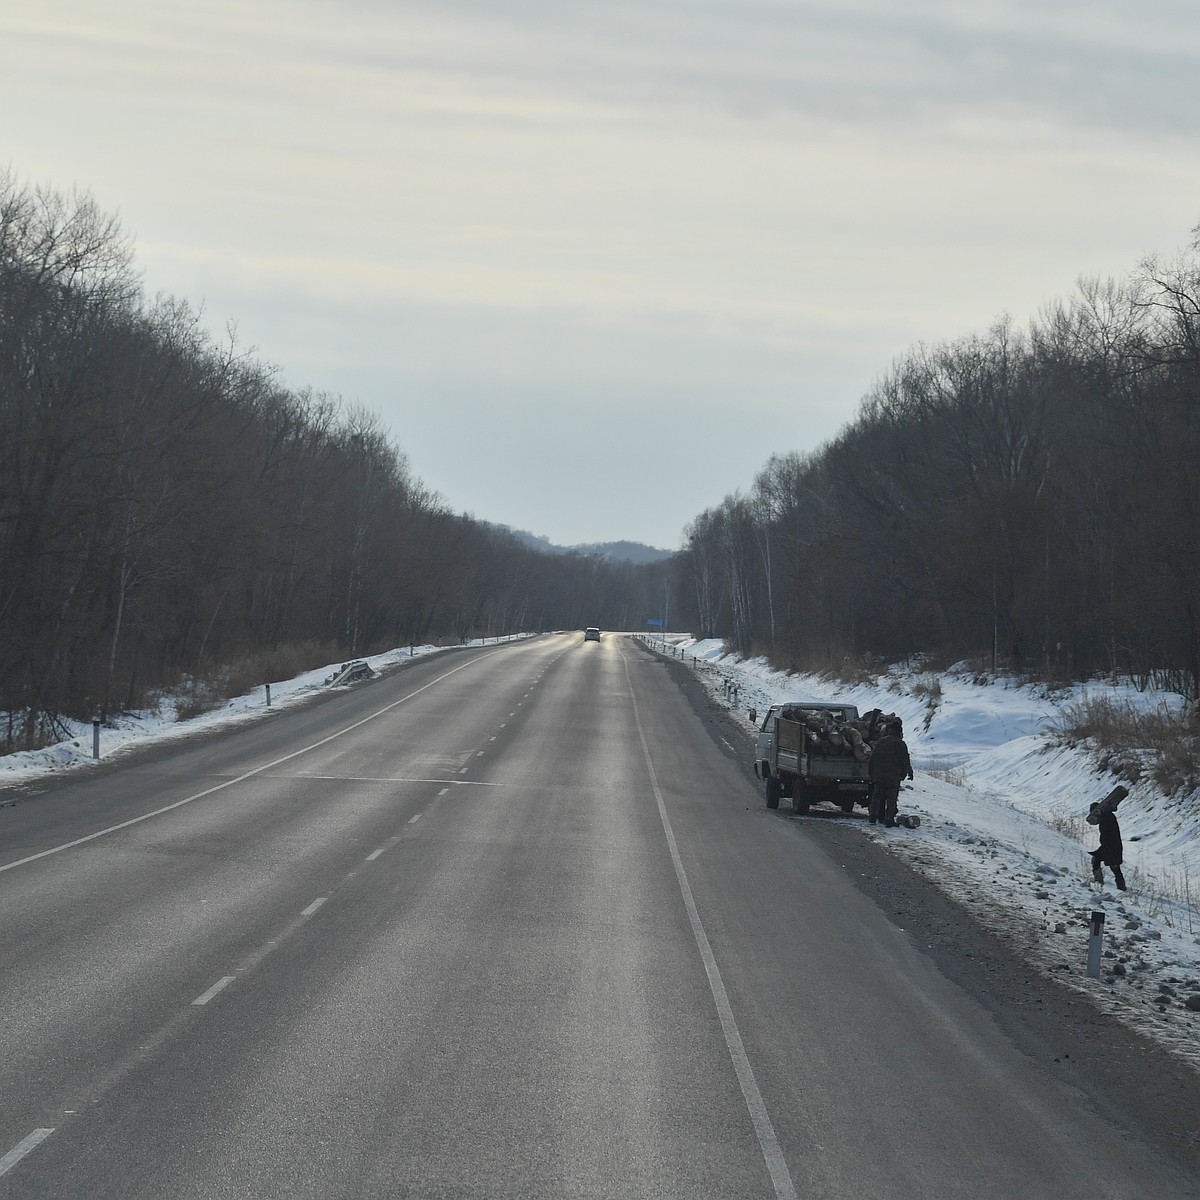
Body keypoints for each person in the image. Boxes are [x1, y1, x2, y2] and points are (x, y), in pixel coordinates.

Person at [868, 720, 913, 828]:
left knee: (877, 797)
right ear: (899, 732)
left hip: (879, 776)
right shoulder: (901, 744)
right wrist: (907, 774)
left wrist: (872, 774)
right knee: (891, 799)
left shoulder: (881, 742)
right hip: (893, 777)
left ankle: (873, 817)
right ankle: (889, 819)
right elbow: (905, 761)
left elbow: (872, 759)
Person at [1087, 786, 1128, 891]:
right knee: (1112, 866)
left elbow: (1107, 834)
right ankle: (1104, 882)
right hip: (1111, 847)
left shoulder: (1106, 817)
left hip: (1110, 847)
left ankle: (1116, 886)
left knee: (1113, 866)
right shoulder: (1108, 816)